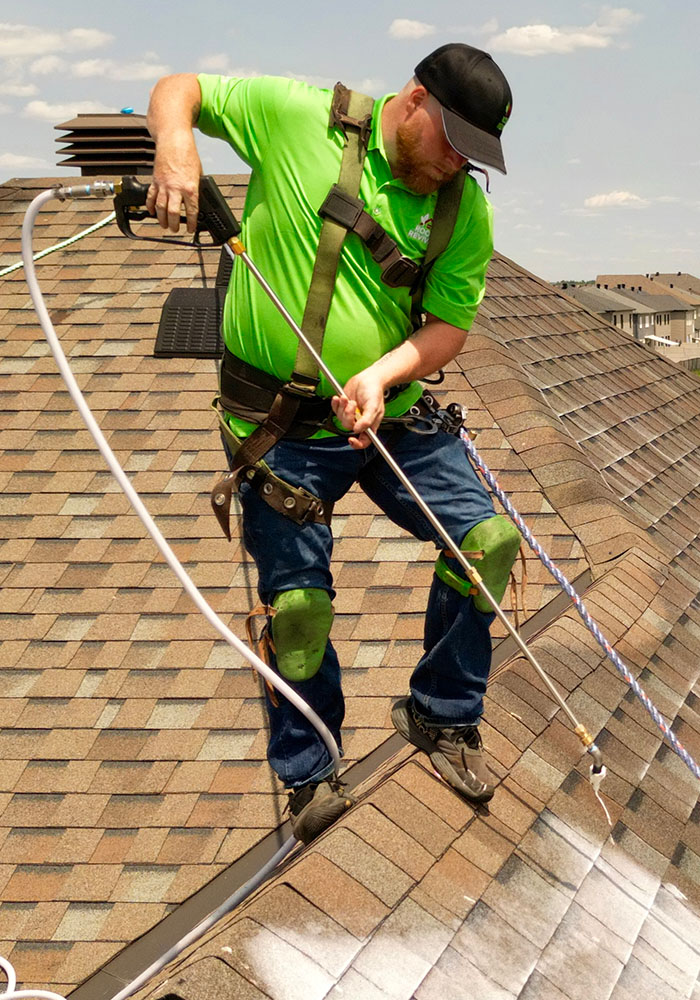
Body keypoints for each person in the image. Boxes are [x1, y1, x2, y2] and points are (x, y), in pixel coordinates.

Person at [146, 43, 520, 844]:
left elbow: (449, 325)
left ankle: (442, 714)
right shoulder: (296, 116)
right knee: (299, 609)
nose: (457, 165)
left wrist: (384, 375)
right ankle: (310, 774)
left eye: (474, 156)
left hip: (390, 412)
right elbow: (182, 88)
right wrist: (176, 148)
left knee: (487, 543)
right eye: (452, 142)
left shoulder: (463, 208)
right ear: (414, 100)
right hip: (279, 428)